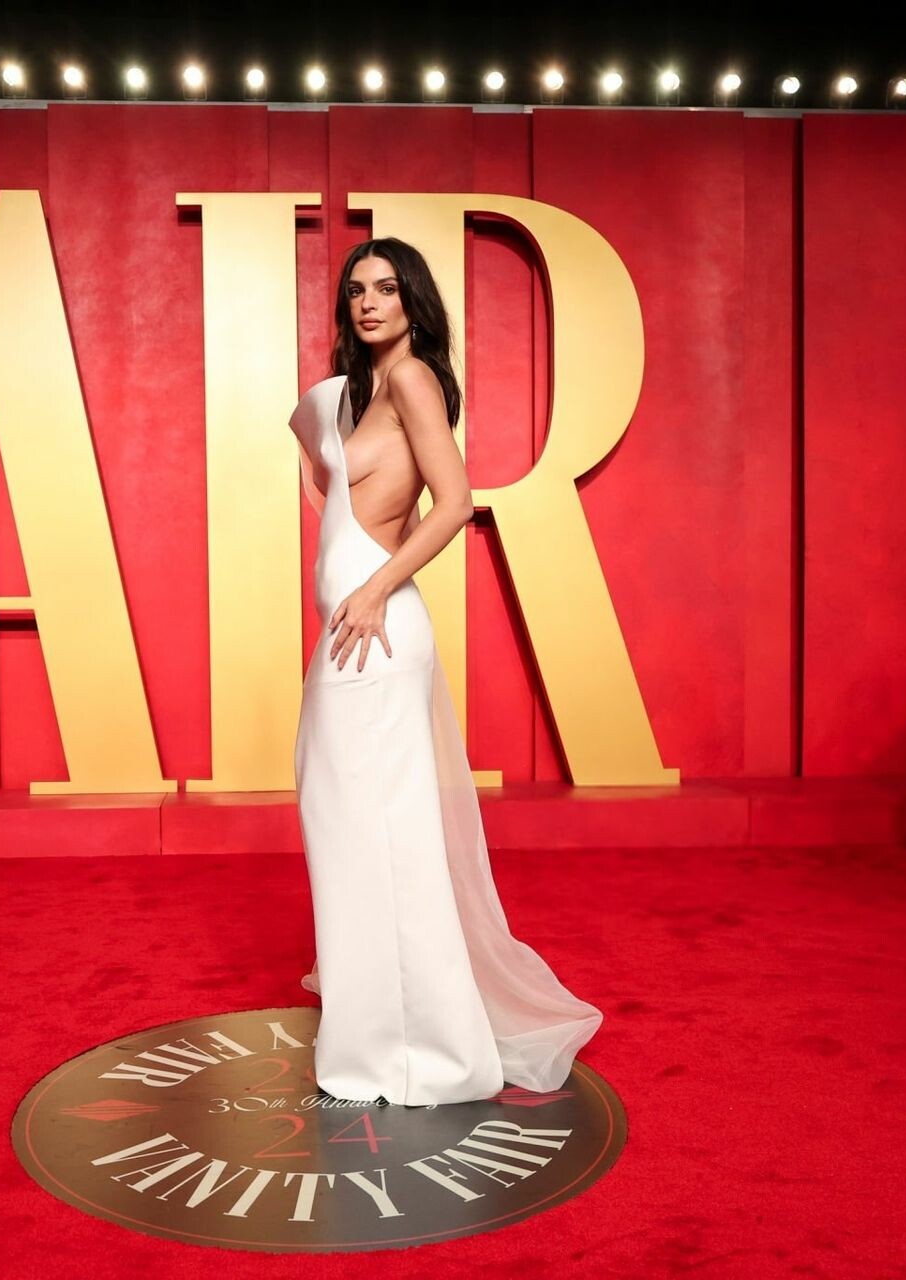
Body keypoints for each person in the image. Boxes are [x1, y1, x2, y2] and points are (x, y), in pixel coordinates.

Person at [288, 237, 603, 1106]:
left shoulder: (413, 378)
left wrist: (373, 588)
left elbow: (456, 502)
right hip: (352, 627)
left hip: (377, 631)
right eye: (357, 290)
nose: (368, 302)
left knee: (383, 835)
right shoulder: (356, 395)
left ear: (413, 302)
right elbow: (329, 478)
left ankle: (420, 1049)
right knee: (344, 825)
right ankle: (380, 1032)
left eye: (387, 289)